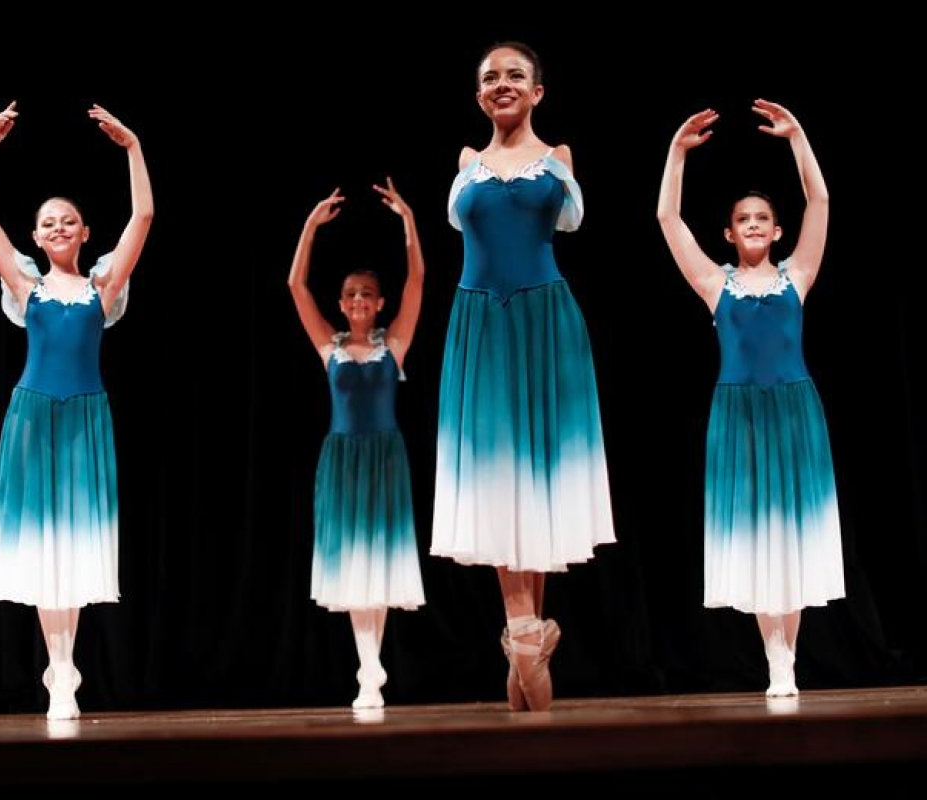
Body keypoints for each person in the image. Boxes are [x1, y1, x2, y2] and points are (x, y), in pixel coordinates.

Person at [429, 41, 616, 712]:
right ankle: (524, 630)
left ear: (537, 91)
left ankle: (525, 637)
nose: (501, 83)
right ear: (479, 94)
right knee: (498, 471)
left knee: (535, 470)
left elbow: (569, 221)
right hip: (480, 325)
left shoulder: (558, 158)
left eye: (515, 75)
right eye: (490, 77)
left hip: (546, 324)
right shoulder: (466, 163)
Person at [0, 101, 154, 719]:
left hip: (85, 420)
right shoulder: (27, 287)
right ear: (35, 236)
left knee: (73, 543)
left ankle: (65, 661)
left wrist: (132, 148)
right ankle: (60, 670)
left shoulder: (104, 287)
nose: (57, 228)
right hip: (31, 419)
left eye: (67, 221)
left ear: (84, 232)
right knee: (42, 545)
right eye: (47, 222)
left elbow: (144, 216)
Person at [656, 99, 844, 697]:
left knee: (792, 533)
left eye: (763, 217)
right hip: (740, 417)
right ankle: (775, 656)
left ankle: (788, 653)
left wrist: (798, 137)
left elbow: (820, 201)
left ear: (777, 230)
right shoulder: (716, 284)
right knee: (760, 534)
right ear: (730, 233)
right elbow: (667, 218)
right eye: (744, 219)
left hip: (794, 412)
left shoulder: (798, 277)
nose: (755, 224)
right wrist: (676, 154)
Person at [287, 179, 427, 710]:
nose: (359, 300)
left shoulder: (395, 345)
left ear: (380, 302)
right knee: (352, 564)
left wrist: (409, 222)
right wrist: (309, 228)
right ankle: (368, 669)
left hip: (385, 459)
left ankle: (372, 667)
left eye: (367, 293)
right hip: (343, 460)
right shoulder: (330, 347)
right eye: (351, 294)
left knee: (380, 561)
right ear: (342, 304)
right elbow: (296, 286)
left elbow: (418, 279)